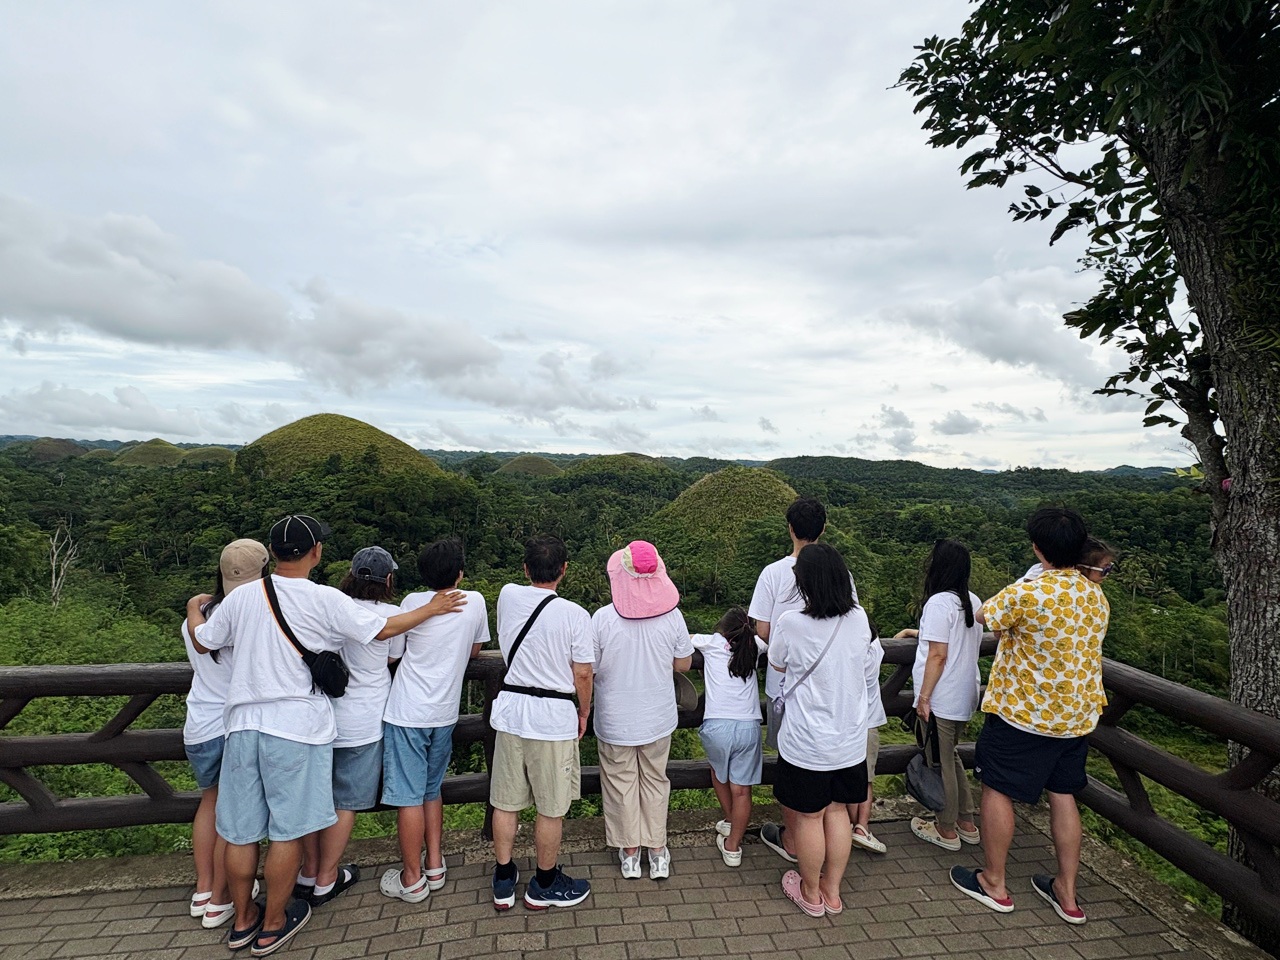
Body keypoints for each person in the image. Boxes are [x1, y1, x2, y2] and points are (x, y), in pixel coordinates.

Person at [186, 515, 465, 956]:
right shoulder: (323, 599)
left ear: (273, 553)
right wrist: (431, 608)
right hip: (296, 729)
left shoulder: (241, 599)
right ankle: (274, 922)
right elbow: (383, 629)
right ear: (315, 552)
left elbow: (204, 640)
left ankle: (241, 920)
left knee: (240, 833)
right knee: (287, 832)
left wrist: (192, 606)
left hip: (240, 726)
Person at [950, 507, 1109, 925]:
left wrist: (1028, 577)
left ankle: (995, 882)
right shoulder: (1096, 596)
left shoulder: (1030, 592)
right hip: (1076, 716)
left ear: (1037, 549)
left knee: (997, 789)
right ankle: (1067, 893)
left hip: (1024, 713)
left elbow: (986, 615)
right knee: (1063, 795)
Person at [768, 543, 877, 917]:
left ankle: (811, 894)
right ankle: (833, 891)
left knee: (809, 817)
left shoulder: (791, 623)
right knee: (838, 814)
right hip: (848, 741)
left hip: (806, 742)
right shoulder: (860, 618)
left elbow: (779, 664)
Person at [750, 497, 860, 865]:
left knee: (794, 776)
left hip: (787, 696)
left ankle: (794, 841)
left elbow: (762, 631)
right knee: (835, 804)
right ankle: (827, 872)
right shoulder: (841, 573)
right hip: (840, 700)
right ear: (824, 529)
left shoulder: (771, 573)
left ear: (790, 528)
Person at [380, 537, 489, 903]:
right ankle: (435, 865)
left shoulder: (413, 603)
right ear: (460, 573)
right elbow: (475, 649)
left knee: (408, 796)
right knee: (431, 789)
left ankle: (412, 879)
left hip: (407, 711)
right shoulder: (475, 602)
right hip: (444, 712)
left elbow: (394, 653)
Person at [488, 535, 594, 911]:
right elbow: (582, 673)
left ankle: (503, 877)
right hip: (552, 719)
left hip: (512, 713)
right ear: (564, 571)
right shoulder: (576, 615)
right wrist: (584, 712)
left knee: (506, 801)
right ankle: (544, 883)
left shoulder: (507, 596)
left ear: (525, 569)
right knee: (551, 806)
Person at [297, 546, 399, 907]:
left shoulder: (331, 609)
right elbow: (392, 656)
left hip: (324, 716)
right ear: (388, 580)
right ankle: (327, 878)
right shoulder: (392, 615)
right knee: (346, 803)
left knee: (316, 798)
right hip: (366, 719)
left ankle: (308, 871)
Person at [591, 541, 693, 880]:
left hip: (615, 718)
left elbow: (589, 667)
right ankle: (658, 851)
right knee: (654, 781)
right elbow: (682, 663)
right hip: (657, 716)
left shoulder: (602, 619)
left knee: (621, 783)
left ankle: (630, 853)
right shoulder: (673, 616)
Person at [182, 538, 268, 929]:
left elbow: (202, 645)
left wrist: (191, 608)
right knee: (231, 817)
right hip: (234, 726)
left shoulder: (196, 619)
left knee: (209, 804)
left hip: (199, 723)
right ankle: (220, 899)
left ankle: (203, 889)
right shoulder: (254, 614)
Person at [898, 539, 983, 852]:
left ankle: (945, 829)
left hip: (942, 697)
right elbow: (952, 637)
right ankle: (966, 821)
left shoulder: (938, 603)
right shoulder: (972, 601)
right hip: (965, 694)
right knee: (951, 755)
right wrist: (914, 633)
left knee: (940, 760)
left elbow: (938, 654)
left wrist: (923, 697)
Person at [691, 607, 765, 868]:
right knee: (742, 789)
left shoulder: (711, 643)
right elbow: (769, 640)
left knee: (718, 772)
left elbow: (682, 641)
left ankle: (730, 819)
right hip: (748, 726)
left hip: (717, 726)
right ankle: (733, 846)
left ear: (722, 628)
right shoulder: (755, 644)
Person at [848, 628, 889, 855]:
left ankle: (848, 827)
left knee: (847, 779)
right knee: (866, 779)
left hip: (848, 724)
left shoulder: (850, 655)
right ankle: (862, 827)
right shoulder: (876, 650)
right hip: (870, 723)